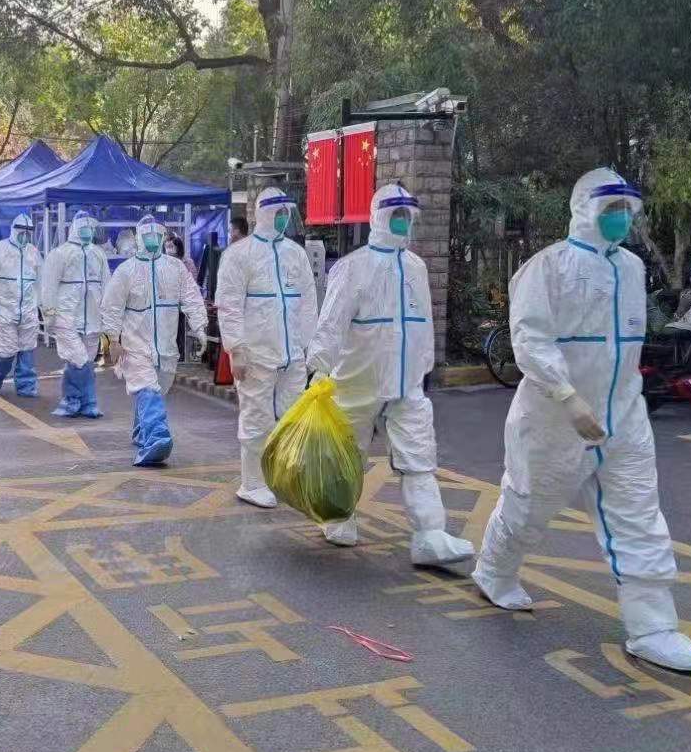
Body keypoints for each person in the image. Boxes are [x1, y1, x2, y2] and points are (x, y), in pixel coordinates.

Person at [471, 168, 691, 673]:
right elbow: (530, 338)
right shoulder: (546, 267)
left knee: (639, 516)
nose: (620, 217)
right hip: (555, 417)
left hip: (624, 415)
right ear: (585, 209)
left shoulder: (631, 267)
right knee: (529, 506)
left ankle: (653, 628)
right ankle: (494, 570)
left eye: (626, 209)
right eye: (610, 208)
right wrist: (568, 396)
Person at [306, 184, 474, 558]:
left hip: (407, 386)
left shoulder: (416, 266)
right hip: (357, 383)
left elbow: (423, 321)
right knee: (347, 457)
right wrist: (319, 368)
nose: (402, 221)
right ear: (379, 217)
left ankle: (430, 535)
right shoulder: (352, 268)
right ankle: (337, 517)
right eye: (396, 214)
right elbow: (331, 324)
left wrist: (424, 366)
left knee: (419, 458)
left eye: (407, 215)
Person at [217, 188, 318, 509]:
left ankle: (282, 477)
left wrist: (309, 347)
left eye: (287, 212)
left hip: (292, 355)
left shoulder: (295, 254)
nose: (284, 218)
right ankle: (252, 483)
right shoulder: (239, 254)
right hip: (255, 356)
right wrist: (236, 350)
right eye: (279, 212)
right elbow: (229, 306)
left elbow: (308, 303)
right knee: (256, 419)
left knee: (291, 419)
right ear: (264, 214)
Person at [101, 216, 208, 466]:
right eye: (147, 235)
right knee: (148, 390)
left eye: (156, 235)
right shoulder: (126, 270)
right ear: (139, 237)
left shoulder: (175, 268)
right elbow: (111, 306)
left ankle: (141, 431)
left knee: (156, 390)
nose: (152, 239)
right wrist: (112, 340)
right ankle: (157, 440)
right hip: (135, 346)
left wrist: (200, 326)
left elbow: (191, 297)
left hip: (167, 348)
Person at [41, 211, 109, 418]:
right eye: (84, 227)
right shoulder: (60, 254)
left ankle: (75, 402)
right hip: (66, 316)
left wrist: (108, 316)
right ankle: (85, 401)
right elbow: (48, 286)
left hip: (93, 317)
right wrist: (49, 315)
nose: (88, 231)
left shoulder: (98, 254)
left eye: (90, 227)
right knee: (79, 359)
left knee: (84, 361)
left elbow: (107, 285)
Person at [0, 213, 42, 397]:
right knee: (6, 351)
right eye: (22, 231)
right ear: (14, 230)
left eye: (28, 232)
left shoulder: (33, 252)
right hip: (4, 309)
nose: (25, 235)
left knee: (27, 349)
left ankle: (26, 386)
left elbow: (41, 280)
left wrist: (44, 305)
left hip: (28, 309)